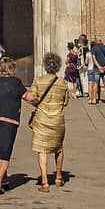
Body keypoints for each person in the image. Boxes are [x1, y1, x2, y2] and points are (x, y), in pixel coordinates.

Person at [0, 56, 27, 196]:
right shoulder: (16, 82)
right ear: (12, 69)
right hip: (9, 121)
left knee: (0, 149)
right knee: (5, 152)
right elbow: (28, 97)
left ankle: (5, 179)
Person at [28, 52, 71, 192]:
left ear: (45, 66)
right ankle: (58, 176)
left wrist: (39, 105)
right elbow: (66, 102)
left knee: (42, 150)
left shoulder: (38, 81)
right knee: (59, 148)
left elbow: (31, 98)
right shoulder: (62, 82)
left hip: (41, 119)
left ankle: (45, 182)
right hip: (58, 119)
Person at [90, 35, 105, 104]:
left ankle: (94, 100)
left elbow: (94, 59)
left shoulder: (94, 48)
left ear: (96, 41)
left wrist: (99, 67)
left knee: (95, 83)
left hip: (97, 69)